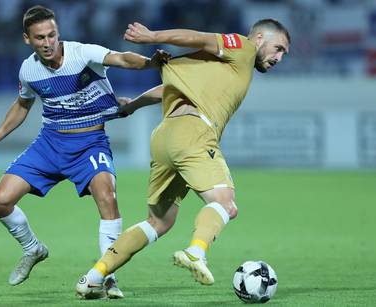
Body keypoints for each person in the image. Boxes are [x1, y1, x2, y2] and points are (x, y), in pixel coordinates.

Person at [76, 19, 290, 299]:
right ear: (260, 38)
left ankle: (93, 277)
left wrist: (134, 105)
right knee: (225, 203)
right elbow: (199, 37)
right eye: (278, 48)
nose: (279, 57)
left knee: (158, 223)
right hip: (194, 132)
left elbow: (168, 89)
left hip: (165, 136)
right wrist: (152, 36)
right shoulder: (244, 47)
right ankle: (196, 252)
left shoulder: (214, 67)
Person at [0, 5, 168, 298]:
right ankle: (33, 249)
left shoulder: (81, 53)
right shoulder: (29, 69)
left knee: (107, 196)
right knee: (0, 200)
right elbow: (23, 104)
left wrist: (150, 63)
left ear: (58, 33)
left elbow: (120, 58)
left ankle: (107, 275)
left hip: (90, 143)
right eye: (40, 38)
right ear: (27, 39)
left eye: (52, 35)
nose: (48, 42)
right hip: (49, 144)